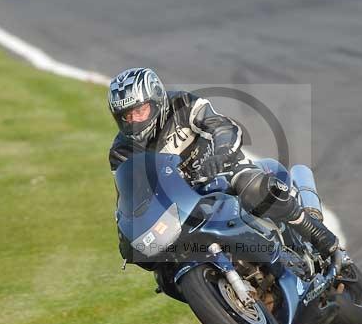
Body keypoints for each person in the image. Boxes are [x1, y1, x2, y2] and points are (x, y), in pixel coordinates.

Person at [108, 67, 349, 266]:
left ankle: (319, 236)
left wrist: (219, 154)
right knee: (159, 262)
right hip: (182, 202)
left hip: (223, 172)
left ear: (157, 100)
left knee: (253, 188)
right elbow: (130, 196)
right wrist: (125, 233)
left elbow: (223, 127)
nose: (135, 120)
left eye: (140, 110)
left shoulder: (181, 104)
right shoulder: (121, 151)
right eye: (126, 116)